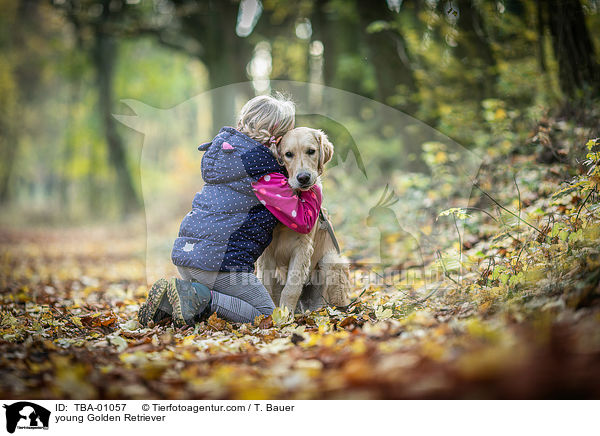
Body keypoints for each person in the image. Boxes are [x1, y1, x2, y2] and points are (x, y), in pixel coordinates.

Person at [138, 94, 322, 328]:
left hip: (188, 257)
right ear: (275, 138)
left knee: (235, 301)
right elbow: (303, 222)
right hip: (221, 264)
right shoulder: (264, 171)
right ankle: (200, 298)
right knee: (266, 315)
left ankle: (167, 306)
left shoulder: (227, 153)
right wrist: (315, 189)